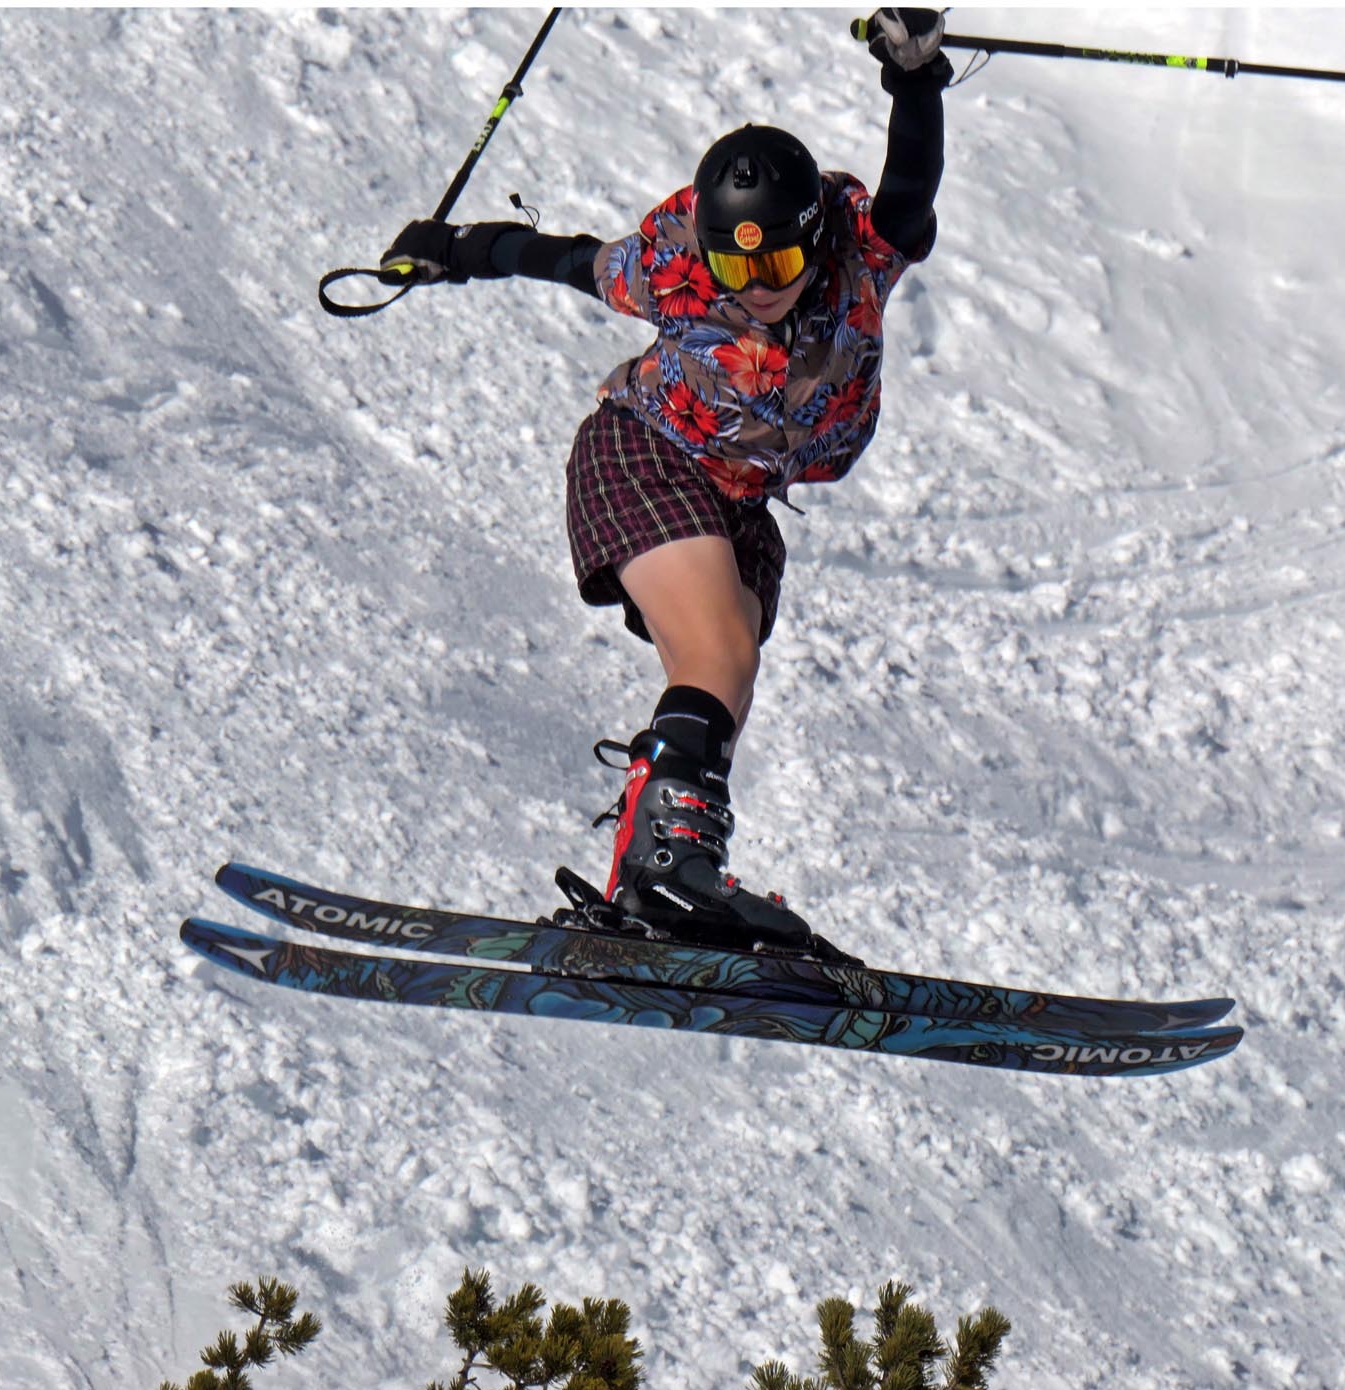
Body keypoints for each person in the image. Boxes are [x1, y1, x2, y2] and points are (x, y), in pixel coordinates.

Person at [381, 9, 951, 956]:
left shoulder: (858, 261)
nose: (757, 284)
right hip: (644, 455)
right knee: (720, 654)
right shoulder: (674, 270)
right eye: (737, 261)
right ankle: (663, 875)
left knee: (721, 677)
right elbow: (564, 258)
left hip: (741, 504)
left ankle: (669, 875)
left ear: (814, 241)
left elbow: (908, 191)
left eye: (778, 260)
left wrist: (915, 80)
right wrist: (456, 250)